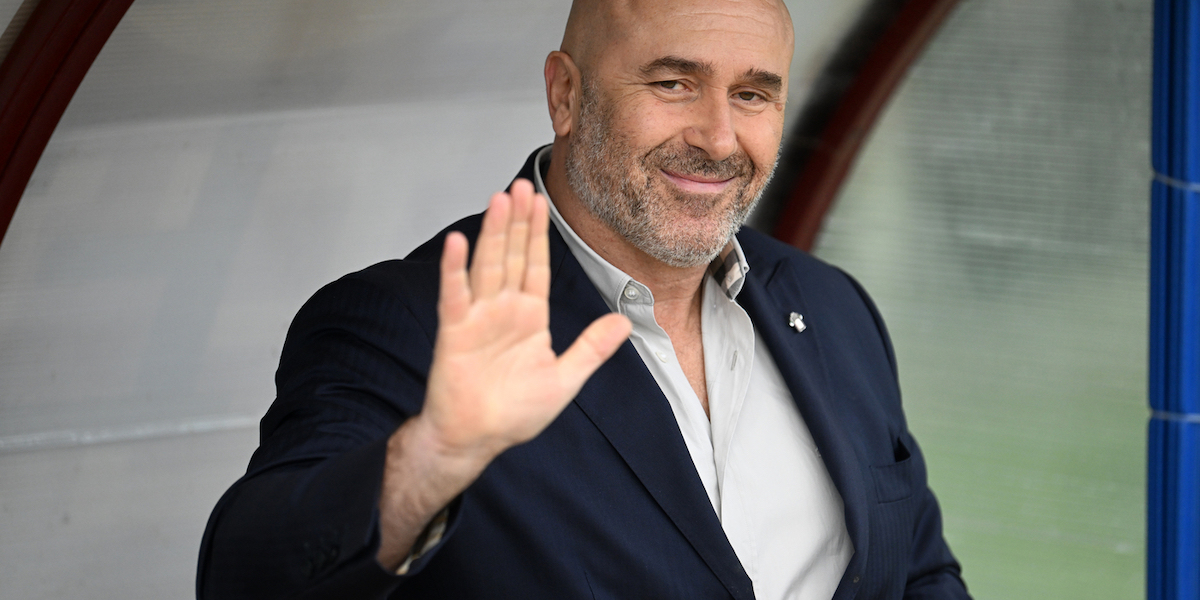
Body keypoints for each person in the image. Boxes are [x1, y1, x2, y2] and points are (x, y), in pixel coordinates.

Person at [197, 0, 970, 598]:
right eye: (673, 84)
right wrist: (433, 458)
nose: (718, 137)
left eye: (753, 94)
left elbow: (918, 571)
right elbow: (247, 581)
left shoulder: (832, 308)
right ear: (565, 95)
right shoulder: (410, 324)